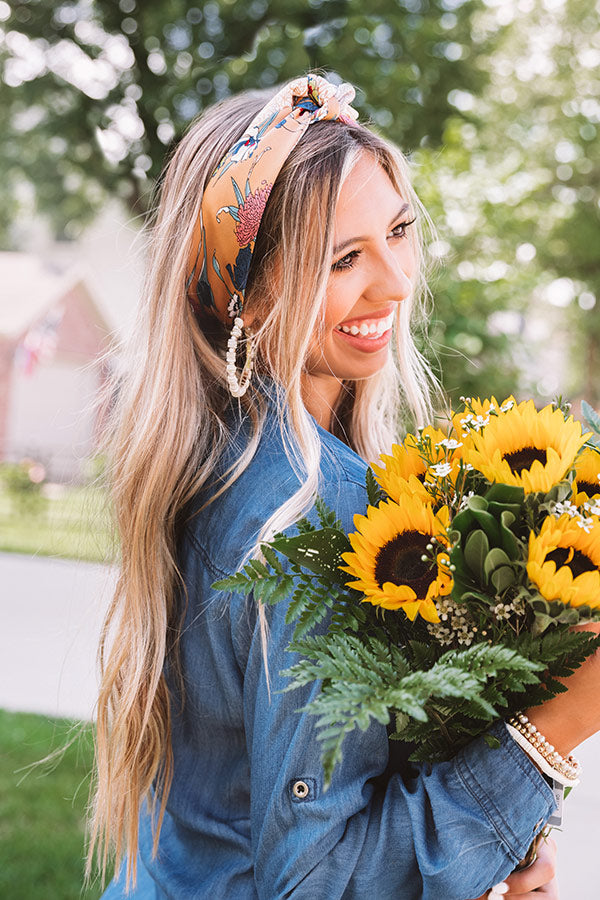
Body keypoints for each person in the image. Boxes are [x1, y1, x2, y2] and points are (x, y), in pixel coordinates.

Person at [89, 73, 600, 899]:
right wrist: (558, 725)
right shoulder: (303, 516)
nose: (396, 283)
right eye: (343, 258)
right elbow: (320, 879)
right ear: (245, 295)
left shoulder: (216, 458)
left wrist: (496, 844)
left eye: (398, 232)